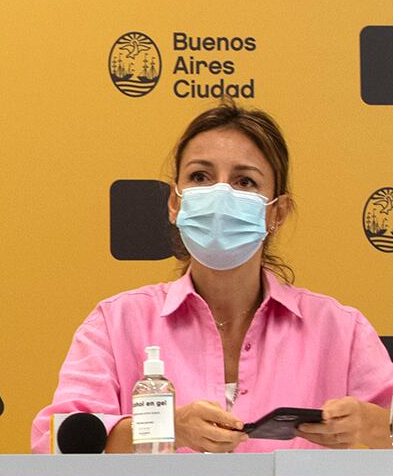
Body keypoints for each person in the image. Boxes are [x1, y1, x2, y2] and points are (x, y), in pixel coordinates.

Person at [34, 104, 393, 452]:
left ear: (277, 213)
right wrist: (168, 430)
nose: (221, 193)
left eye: (245, 181)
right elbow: (54, 441)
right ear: (175, 203)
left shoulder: (339, 331)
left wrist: (373, 426)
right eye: (200, 177)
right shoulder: (116, 323)